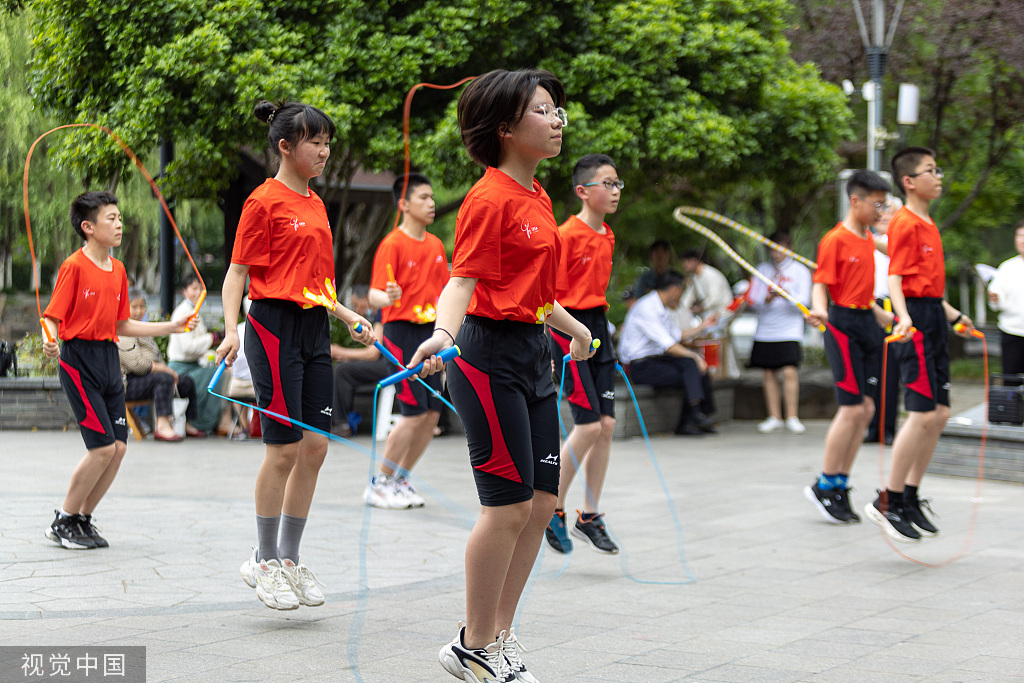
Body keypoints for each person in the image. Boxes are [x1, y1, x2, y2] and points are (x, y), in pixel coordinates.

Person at [405, 69, 594, 683]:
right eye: (544, 110)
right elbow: (462, 282)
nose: (558, 118)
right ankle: (471, 643)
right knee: (507, 506)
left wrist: (576, 330)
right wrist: (444, 334)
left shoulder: (537, 197)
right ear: (507, 127)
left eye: (557, 109)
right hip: (485, 355)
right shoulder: (489, 199)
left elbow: (535, 294)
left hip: (532, 351)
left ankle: (500, 634)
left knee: (542, 504)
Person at [215, 100, 375, 611]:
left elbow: (317, 284)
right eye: (316, 142)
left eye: (327, 142)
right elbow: (237, 274)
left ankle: (288, 558)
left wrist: (349, 317)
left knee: (316, 448)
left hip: (313, 327)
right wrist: (230, 331)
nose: (326, 151)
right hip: (272, 328)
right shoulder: (262, 202)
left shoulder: (318, 204)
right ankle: (262, 560)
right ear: (286, 146)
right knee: (282, 449)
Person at [42, 191, 191, 550]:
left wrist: (171, 327)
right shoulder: (73, 267)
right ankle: (62, 520)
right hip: (79, 361)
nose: (119, 223)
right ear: (88, 227)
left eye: (120, 217)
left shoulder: (119, 270)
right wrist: (50, 340)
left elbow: (122, 324)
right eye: (111, 218)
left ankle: (81, 519)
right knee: (101, 449)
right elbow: (51, 317)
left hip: (110, 360)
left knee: (118, 449)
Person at [866, 147, 977, 542]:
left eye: (938, 168)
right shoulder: (907, 223)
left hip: (930, 314)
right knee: (921, 413)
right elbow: (897, 279)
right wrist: (904, 316)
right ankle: (888, 500)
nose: (939, 176)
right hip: (911, 319)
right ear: (909, 182)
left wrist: (955, 316)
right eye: (931, 170)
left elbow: (928, 287)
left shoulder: (928, 223)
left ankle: (909, 496)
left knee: (941, 412)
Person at [804, 171, 894, 525]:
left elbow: (860, 288)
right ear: (855, 201)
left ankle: (840, 483)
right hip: (840, 324)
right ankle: (824, 484)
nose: (881, 210)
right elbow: (821, 284)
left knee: (868, 409)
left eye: (884, 204)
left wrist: (877, 313)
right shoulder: (835, 240)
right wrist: (820, 309)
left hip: (867, 323)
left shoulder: (868, 240)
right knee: (851, 409)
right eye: (877, 203)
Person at [544, 153, 621, 556]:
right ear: (583, 191)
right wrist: (570, 335)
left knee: (606, 425)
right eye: (606, 184)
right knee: (588, 425)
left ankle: (589, 514)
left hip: (598, 328)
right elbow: (548, 297)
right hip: (567, 329)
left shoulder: (607, 235)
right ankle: (552, 509)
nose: (614, 191)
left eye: (617, 184)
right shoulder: (564, 235)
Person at [361, 172, 450, 509]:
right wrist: (387, 296)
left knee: (431, 417)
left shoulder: (436, 246)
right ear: (404, 204)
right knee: (413, 414)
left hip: (431, 335)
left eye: (431, 197)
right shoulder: (392, 244)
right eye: (424, 197)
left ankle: (399, 480)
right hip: (402, 335)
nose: (431, 203)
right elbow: (373, 294)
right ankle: (379, 481)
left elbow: (446, 295)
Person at [618, 271, 718, 436]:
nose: (681, 297)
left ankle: (699, 415)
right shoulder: (647, 308)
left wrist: (704, 325)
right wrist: (695, 356)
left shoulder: (662, 309)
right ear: (674, 289)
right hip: (640, 366)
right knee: (691, 369)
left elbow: (677, 336)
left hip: (657, 361)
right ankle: (692, 418)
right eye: (682, 291)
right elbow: (668, 345)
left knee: (692, 367)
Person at [117, 289, 202, 442]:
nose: (139, 311)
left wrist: (167, 371)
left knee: (186, 382)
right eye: (134, 306)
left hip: (148, 378)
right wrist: (165, 370)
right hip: (128, 383)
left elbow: (156, 357)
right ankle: (162, 425)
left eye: (142, 306)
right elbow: (137, 364)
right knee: (163, 378)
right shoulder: (122, 330)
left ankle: (187, 424)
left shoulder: (144, 329)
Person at [749, 232, 812, 434]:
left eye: (781, 248)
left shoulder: (800, 270)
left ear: (789, 247)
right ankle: (774, 416)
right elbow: (752, 299)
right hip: (765, 329)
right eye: (773, 248)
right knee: (768, 372)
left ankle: (792, 416)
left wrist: (785, 294)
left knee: (789, 370)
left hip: (789, 329)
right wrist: (766, 298)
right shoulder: (762, 270)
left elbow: (805, 303)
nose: (776, 253)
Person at [167, 274, 235, 437]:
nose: (198, 292)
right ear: (184, 291)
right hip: (181, 368)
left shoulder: (194, 311)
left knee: (223, 370)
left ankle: (222, 420)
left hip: (194, 365)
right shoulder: (182, 312)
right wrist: (211, 338)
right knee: (221, 374)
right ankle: (215, 421)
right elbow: (187, 347)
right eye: (193, 288)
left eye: (200, 289)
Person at [865, 197, 904, 444]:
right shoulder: (865, 241)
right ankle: (871, 428)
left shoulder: (898, 242)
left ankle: (887, 428)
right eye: (878, 215)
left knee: (890, 371)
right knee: (871, 371)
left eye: (888, 216)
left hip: (893, 306)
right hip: (869, 305)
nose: (883, 220)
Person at [330, 284, 389, 437]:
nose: (356, 310)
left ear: (366, 299)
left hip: (391, 364)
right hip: (386, 363)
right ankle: (340, 421)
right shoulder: (379, 313)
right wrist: (347, 356)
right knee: (345, 368)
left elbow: (373, 353)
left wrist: (338, 351)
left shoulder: (382, 311)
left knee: (342, 370)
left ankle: (341, 424)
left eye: (357, 305)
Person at [988, 220, 1024, 375]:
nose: (1023, 240)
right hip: (1012, 331)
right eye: (1020, 235)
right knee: (1011, 380)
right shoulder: (1006, 267)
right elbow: (996, 301)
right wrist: (995, 299)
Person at [681, 249, 733, 319]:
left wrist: (701, 308)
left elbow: (716, 297)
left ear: (694, 260)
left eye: (686, 262)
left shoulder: (710, 274)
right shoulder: (694, 277)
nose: (684, 265)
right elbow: (689, 295)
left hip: (723, 314)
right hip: (709, 314)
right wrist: (681, 308)